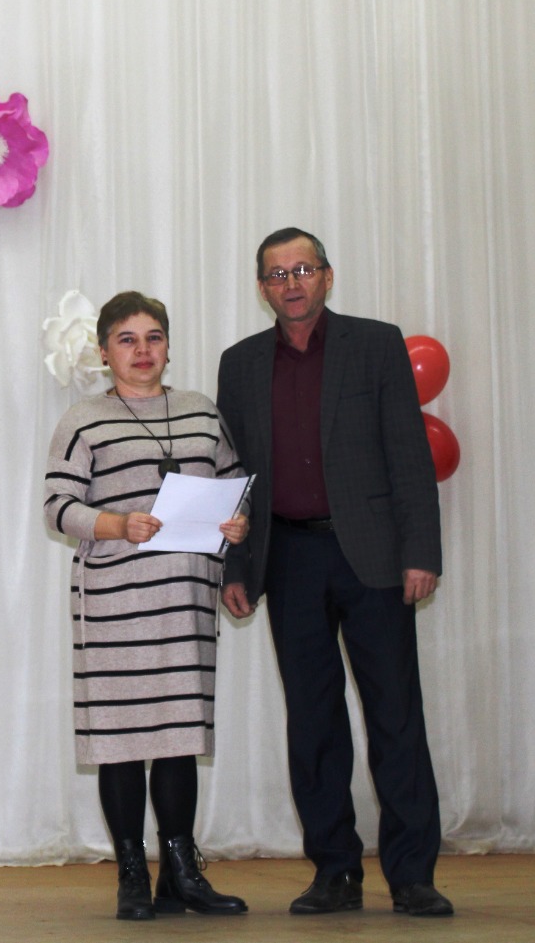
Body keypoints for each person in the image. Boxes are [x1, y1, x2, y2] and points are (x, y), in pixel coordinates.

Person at [214, 227, 453, 918]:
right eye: (277, 273)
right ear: (262, 287)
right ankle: (335, 871)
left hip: (372, 558)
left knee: (395, 716)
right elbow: (234, 476)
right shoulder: (240, 363)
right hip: (288, 558)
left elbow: (409, 455)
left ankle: (412, 875)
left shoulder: (375, 344)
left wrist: (421, 551)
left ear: (326, 275)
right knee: (313, 722)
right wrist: (236, 565)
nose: (291, 283)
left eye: (303, 269)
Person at [44, 291, 251, 922]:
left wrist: (237, 521)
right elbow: (58, 507)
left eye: (153, 337)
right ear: (104, 352)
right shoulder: (83, 420)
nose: (142, 351)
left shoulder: (201, 412)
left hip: (186, 603)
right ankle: (132, 874)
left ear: (168, 345)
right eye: (127, 340)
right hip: (114, 603)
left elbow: (235, 483)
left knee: (179, 737)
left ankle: (181, 875)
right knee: (122, 741)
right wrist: (116, 524)